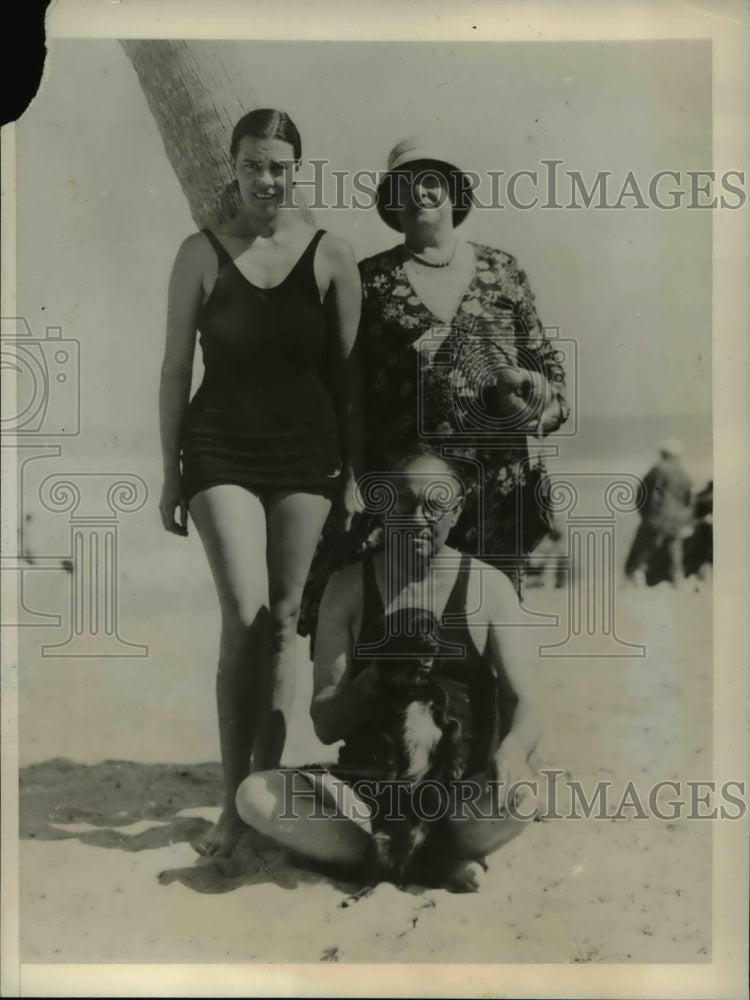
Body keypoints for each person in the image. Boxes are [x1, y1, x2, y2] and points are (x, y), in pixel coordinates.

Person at [158, 109, 361, 857]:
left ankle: (262, 797)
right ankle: (228, 804)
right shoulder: (200, 254)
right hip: (220, 450)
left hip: (307, 455)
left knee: (282, 622)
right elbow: (176, 368)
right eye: (252, 165)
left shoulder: (332, 255)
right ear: (234, 168)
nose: (266, 179)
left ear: (295, 169)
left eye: (279, 165)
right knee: (243, 617)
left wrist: (355, 478)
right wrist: (168, 469)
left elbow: (347, 379)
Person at [236, 451, 543, 892]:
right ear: (383, 506)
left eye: (435, 504)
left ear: (456, 512)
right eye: (402, 502)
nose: (417, 517)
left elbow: (527, 698)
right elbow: (324, 723)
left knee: (524, 795)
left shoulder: (487, 586)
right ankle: (418, 860)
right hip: (366, 794)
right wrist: (379, 674)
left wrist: (513, 752)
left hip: (456, 797)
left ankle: (418, 853)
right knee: (254, 795)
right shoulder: (347, 587)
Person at [357, 135, 570, 587]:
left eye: (430, 181)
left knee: (492, 623)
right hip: (414, 501)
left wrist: (545, 408)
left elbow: (547, 364)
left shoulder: (502, 270)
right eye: (405, 185)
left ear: (453, 191)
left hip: (500, 487)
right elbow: (352, 391)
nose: (419, 194)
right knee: (416, 619)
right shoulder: (370, 280)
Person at [624, 439, 693, 588]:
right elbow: (689, 500)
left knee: (641, 551)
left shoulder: (657, 470)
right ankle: (678, 582)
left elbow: (642, 494)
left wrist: (646, 514)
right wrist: (683, 517)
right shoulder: (682, 473)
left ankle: (630, 580)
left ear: (662, 453)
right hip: (676, 520)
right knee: (674, 552)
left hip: (655, 518)